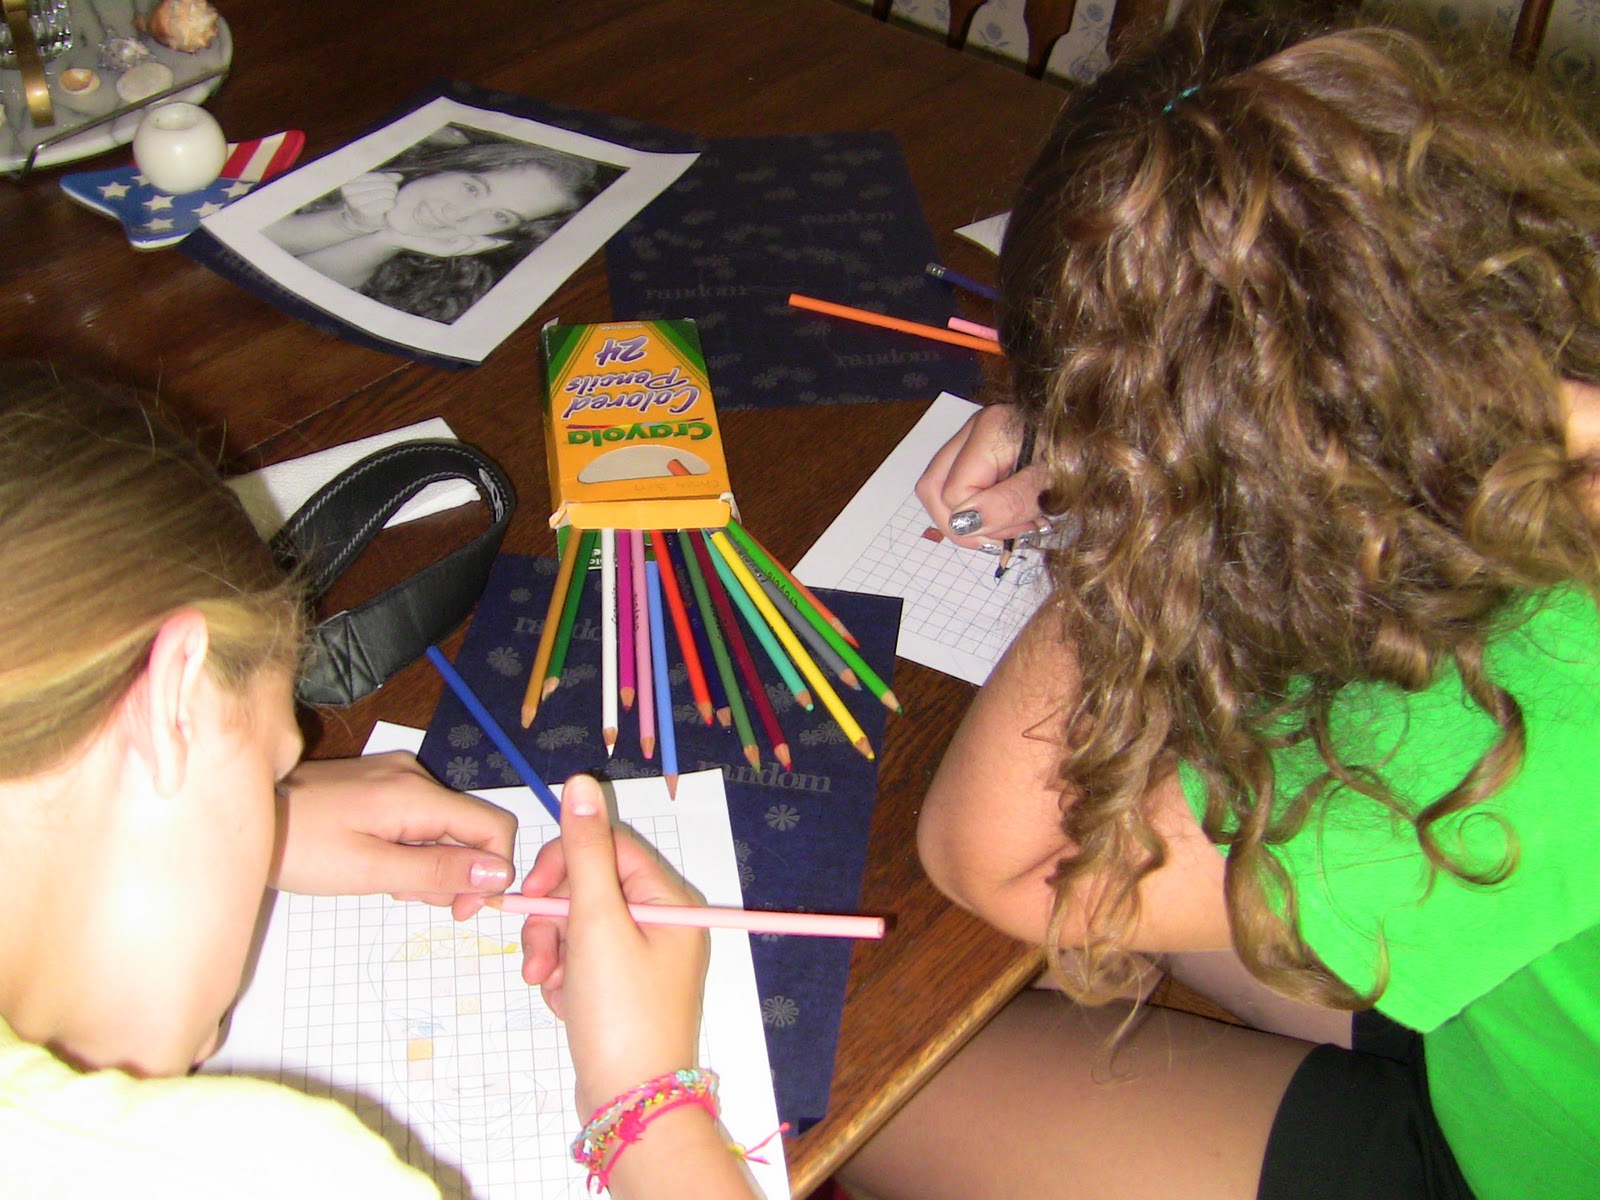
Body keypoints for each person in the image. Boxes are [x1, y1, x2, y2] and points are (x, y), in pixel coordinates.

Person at [835, 4, 1600, 1200]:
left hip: (1524, 1158)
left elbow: (998, 861)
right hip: (1525, 1003)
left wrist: (1139, 496)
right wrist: (1181, 417)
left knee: (860, 1076)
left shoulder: (1534, 686)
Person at [0, 362, 756, 1199]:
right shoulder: (280, 1171)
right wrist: (647, 1108)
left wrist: (254, 820)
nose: (276, 803)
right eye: (274, 769)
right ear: (174, 703)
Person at [264, 129, 616, 322]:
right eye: (471, 188)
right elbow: (260, 248)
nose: (460, 215)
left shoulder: (460, 275)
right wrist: (349, 222)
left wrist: (385, 239)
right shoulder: (361, 161)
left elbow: (300, 284)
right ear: (448, 165)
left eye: (501, 217)